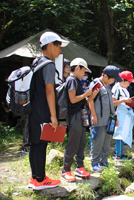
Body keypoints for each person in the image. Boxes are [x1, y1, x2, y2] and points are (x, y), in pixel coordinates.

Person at [28, 31, 69, 190]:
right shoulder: (49, 64)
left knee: (35, 144)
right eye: (59, 46)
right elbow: (50, 91)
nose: (60, 51)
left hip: (33, 111)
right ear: (50, 45)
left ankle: (35, 178)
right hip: (42, 112)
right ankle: (40, 180)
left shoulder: (36, 62)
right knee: (40, 144)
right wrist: (53, 116)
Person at [61, 58, 99, 182]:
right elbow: (72, 99)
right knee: (73, 142)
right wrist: (85, 94)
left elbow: (82, 101)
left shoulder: (77, 81)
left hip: (81, 114)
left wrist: (92, 95)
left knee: (82, 141)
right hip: (74, 116)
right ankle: (66, 170)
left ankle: (80, 166)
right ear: (77, 68)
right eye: (84, 71)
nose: (84, 74)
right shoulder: (71, 80)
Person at [89, 65, 123, 172]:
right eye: (113, 79)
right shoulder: (96, 84)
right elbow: (89, 99)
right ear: (105, 76)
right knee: (97, 140)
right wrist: (93, 114)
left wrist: (114, 117)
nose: (113, 82)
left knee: (106, 141)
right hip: (98, 119)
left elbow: (110, 104)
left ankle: (104, 161)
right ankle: (94, 163)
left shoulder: (107, 86)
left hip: (109, 120)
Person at [112, 71, 134, 162]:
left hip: (126, 114)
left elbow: (126, 102)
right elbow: (112, 103)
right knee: (120, 134)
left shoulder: (125, 89)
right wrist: (123, 100)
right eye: (128, 81)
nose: (129, 83)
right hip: (119, 113)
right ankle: (117, 155)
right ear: (122, 80)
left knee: (124, 133)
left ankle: (121, 153)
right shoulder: (116, 89)